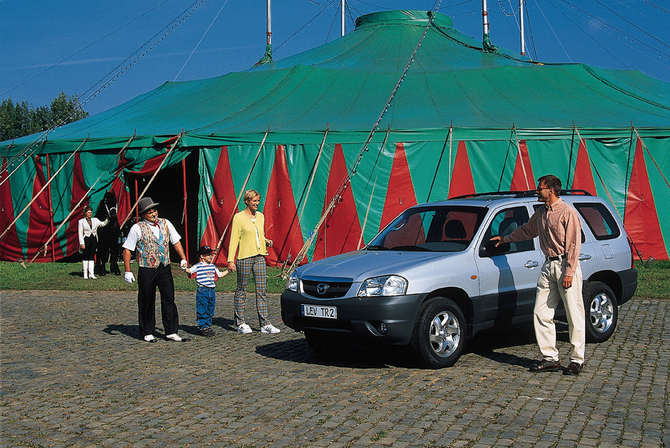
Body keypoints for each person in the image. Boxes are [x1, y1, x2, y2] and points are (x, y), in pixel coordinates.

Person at [491, 175, 585, 375]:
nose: (537, 191)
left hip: (565, 266)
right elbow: (527, 231)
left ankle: (577, 359)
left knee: (573, 314)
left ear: (550, 190)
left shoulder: (567, 212)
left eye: (540, 188)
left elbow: (574, 245)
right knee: (540, 312)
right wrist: (506, 239)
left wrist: (569, 272)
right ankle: (551, 358)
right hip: (548, 266)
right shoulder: (541, 213)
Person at [122, 197, 188, 343]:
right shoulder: (137, 228)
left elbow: (175, 241)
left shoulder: (166, 223)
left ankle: (171, 330)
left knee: (169, 298)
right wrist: (128, 270)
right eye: (149, 212)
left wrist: (183, 257)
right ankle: (147, 331)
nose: (153, 214)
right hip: (147, 268)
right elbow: (127, 250)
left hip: (164, 267)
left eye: (154, 210)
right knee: (147, 299)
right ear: (143, 214)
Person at [227, 189, 281, 334]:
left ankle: (265, 323)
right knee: (241, 290)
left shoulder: (261, 216)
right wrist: (230, 260)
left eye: (258, 200)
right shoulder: (238, 218)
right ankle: (241, 322)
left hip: (260, 256)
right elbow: (234, 240)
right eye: (254, 201)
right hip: (244, 258)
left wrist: (266, 241)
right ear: (247, 202)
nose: (257, 203)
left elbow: (259, 235)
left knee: (261, 290)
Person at [185, 245, 228, 337]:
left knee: (210, 308)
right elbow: (189, 271)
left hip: (211, 290)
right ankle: (203, 326)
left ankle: (208, 325)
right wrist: (184, 267)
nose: (210, 257)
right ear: (201, 256)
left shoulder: (213, 267)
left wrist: (229, 270)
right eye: (207, 255)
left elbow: (219, 274)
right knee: (202, 308)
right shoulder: (198, 266)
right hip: (202, 290)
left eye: (210, 254)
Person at [78, 205, 108, 280]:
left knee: (91, 256)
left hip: (93, 239)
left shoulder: (95, 220)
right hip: (86, 239)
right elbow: (80, 233)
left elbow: (102, 224)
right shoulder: (81, 221)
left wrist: (107, 219)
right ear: (85, 213)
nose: (90, 214)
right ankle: (85, 273)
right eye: (88, 212)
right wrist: (82, 243)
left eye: (91, 212)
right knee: (85, 256)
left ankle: (91, 274)